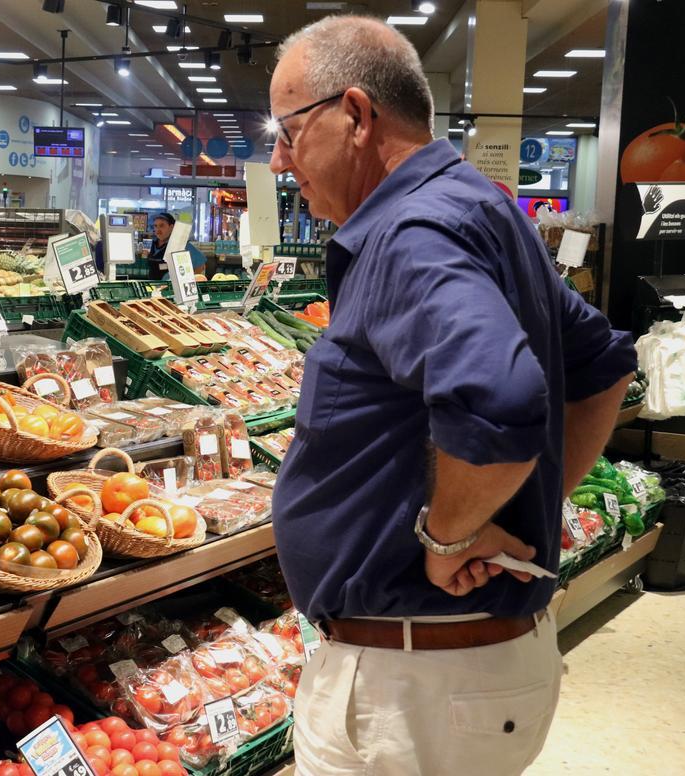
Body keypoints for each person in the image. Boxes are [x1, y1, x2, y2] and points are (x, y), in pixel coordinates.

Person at [267, 17, 635, 776]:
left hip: (414, 690)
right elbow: (602, 366)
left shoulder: (412, 230)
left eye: (289, 130)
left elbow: (498, 399)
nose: (278, 159)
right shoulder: (476, 206)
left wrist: (449, 535)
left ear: (358, 116)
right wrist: (507, 504)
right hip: (460, 673)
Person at [147, 212, 205, 280]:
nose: (157, 230)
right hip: (152, 286)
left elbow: (200, 264)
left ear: (171, 227)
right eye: (155, 226)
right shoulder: (152, 244)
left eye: (162, 226)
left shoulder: (180, 244)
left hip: (169, 288)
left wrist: (191, 279)